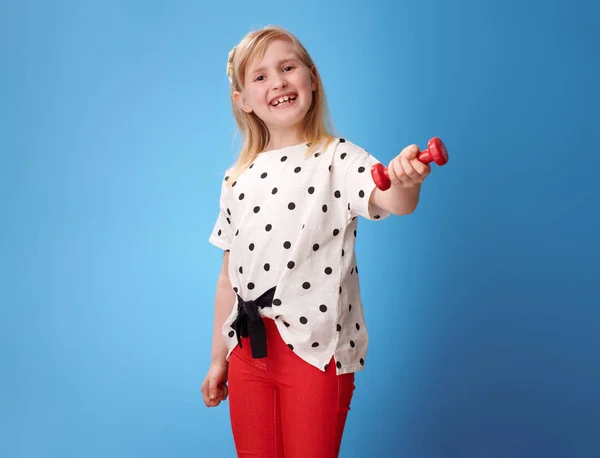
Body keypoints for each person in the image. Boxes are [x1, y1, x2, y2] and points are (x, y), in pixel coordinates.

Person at [200, 25, 431, 458]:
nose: (279, 82)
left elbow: (392, 199)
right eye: (261, 76)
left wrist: (406, 180)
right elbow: (227, 281)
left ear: (312, 78)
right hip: (248, 351)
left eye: (288, 68)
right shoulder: (237, 180)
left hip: (316, 352)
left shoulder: (338, 159)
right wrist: (219, 359)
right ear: (243, 101)